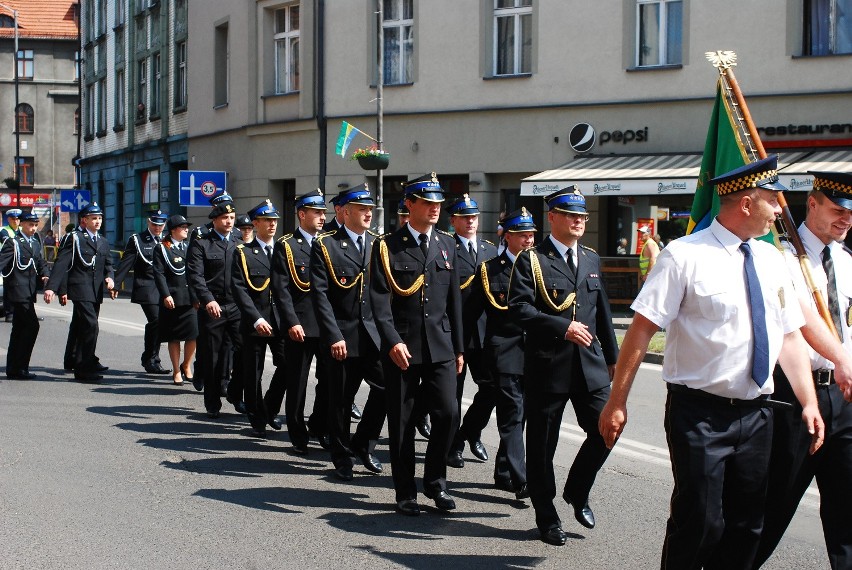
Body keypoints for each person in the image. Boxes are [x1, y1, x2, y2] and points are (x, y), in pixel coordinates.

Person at [598, 155, 825, 569]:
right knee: (700, 521)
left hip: (758, 415)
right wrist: (617, 401)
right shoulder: (684, 256)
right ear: (746, 203)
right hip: (699, 413)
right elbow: (641, 331)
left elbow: (789, 336)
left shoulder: (772, 260)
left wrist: (808, 401)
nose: (780, 210)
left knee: (747, 527)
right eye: (773, 201)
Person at [508, 186, 619, 546]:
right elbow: (520, 310)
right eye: (570, 215)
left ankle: (578, 489)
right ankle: (547, 515)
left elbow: (601, 312)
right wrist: (563, 327)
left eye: (582, 216)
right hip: (548, 365)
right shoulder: (531, 260)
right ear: (551, 218)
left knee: (608, 428)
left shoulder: (589, 258)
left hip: (589, 365)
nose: (578, 221)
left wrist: (615, 361)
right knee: (541, 446)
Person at [754, 171, 852, 569]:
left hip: (842, 398)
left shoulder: (845, 262)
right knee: (773, 507)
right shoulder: (779, 258)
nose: (846, 220)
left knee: (847, 512)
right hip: (794, 397)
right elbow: (802, 325)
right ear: (812, 204)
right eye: (837, 210)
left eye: (851, 214)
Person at [370, 172, 464, 516]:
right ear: (409, 205)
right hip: (403, 346)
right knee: (403, 420)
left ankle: (436, 482)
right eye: (427, 203)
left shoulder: (447, 244)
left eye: (438, 203)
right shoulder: (387, 245)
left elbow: (454, 300)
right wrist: (392, 341)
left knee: (448, 413)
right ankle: (405, 491)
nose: (434, 208)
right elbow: (378, 301)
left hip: (440, 344)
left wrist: (459, 348)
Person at [311, 184, 387, 480]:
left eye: (370, 209)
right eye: (361, 208)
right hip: (342, 335)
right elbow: (320, 295)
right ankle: (342, 455)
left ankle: (364, 443)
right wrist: (333, 336)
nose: (368, 213)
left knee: (385, 389)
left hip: (373, 334)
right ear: (344, 212)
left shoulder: (378, 244)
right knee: (341, 399)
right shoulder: (326, 244)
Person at [467, 207, 536, 499]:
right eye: (521, 235)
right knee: (512, 414)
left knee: (523, 416)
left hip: (533, 353)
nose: (528, 240)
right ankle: (522, 480)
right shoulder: (489, 270)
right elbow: (470, 315)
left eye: (531, 235)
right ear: (506, 237)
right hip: (504, 352)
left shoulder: (540, 267)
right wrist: (464, 350)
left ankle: (504, 471)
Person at [271, 189, 327, 453]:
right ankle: (297, 431)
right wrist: (291, 321)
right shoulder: (287, 245)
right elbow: (281, 289)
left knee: (328, 382)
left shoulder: (328, 243)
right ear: (302, 214)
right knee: (298, 382)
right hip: (301, 325)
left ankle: (319, 424)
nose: (322, 217)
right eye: (317, 212)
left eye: (323, 212)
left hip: (327, 325)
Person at [445, 194, 498, 468]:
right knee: (452, 396)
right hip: (456, 334)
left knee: (491, 388)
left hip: (485, 334)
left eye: (474, 217)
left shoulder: (490, 250)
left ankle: (471, 432)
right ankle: (452, 445)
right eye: (464, 217)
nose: (470, 222)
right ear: (453, 220)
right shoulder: (446, 248)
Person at [186, 195, 245, 418]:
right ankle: (212, 403)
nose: (229, 221)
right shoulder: (203, 241)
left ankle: (233, 391)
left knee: (244, 352)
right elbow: (196, 275)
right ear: (215, 220)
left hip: (237, 306)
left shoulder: (239, 241)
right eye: (224, 217)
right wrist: (207, 299)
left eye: (232, 217)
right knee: (212, 356)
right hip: (213, 307)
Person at [44, 203, 115, 382]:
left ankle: (78, 359)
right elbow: (62, 263)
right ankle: (84, 368)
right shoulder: (74, 238)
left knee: (81, 325)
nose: (98, 221)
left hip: (96, 289)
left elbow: (109, 265)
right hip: (80, 287)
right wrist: (53, 287)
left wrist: (110, 279)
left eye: (99, 218)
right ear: (84, 220)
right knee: (91, 326)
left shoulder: (102, 241)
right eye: (94, 218)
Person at [232, 200, 284, 438]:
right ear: (255, 224)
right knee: (254, 370)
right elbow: (240, 289)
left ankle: (269, 407)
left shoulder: (284, 250)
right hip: (256, 321)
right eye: (267, 221)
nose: (272, 225)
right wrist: (255, 319)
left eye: (274, 221)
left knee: (287, 365)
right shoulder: (243, 252)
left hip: (280, 320)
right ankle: (255, 414)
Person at [113, 210, 171, 375]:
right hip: (147, 286)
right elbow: (126, 262)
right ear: (148, 222)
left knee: (160, 324)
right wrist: (116, 284)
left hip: (164, 289)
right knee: (156, 320)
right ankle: (151, 359)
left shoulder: (168, 241)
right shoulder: (137, 240)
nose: (158, 228)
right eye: (155, 224)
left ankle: (151, 358)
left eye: (161, 225)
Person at [0, 211, 48, 378]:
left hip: (29, 291)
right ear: (21, 224)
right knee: (32, 325)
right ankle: (20, 367)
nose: (33, 228)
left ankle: (15, 368)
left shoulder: (35, 242)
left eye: (35, 225)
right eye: (30, 225)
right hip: (17, 291)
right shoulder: (13, 242)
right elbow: (2, 262)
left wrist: (46, 274)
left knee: (19, 329)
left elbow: (40, 261)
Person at [152, 215, 198, 386]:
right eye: (183, 227)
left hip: (190, 298)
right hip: (172, 298)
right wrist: (165, 295)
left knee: (193, 334)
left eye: (187, 226)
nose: (186, 229)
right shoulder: (162, 248)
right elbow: (159, 273)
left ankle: (186, 365)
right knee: (174, 337)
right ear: (173, 230)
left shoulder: (189, 247)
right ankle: (177, 371)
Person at [1, 208, 23, 322]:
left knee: (22, 288)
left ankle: (22, 312)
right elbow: (8, 242)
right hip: (9, 265)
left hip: (21, 264)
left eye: (18, 219)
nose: (16, 221)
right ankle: (9, 312)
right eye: (13, 219)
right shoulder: (4, 231)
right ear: (8, 219)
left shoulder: (23, 230)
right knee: (9, 288)